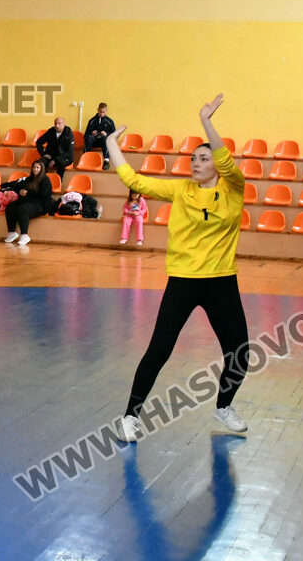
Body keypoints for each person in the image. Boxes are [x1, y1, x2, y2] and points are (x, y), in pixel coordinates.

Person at [106, 94, 250, 442]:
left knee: (240, 352)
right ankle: (130, 418)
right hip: (184, 282)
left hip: (222, 282)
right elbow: (135, 181)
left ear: (217, 164)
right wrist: (111, 144)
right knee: (159, 350)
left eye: (204, 158)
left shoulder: (233, 188)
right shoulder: (180, 190)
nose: (196, 163)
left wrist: (206, 121)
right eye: (193, 158)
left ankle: (223, 406)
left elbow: (226, 160)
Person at [2, 159, 57, 246]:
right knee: (10, 207)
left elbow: (42, 194)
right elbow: (20, 186)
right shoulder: (30, 178)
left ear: (42, 169)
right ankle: (12, 232)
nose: (35, 169)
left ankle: (24, 235)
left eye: (38, 168)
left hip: (41, 204)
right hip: (29, 201)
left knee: (22, 209)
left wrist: (27, 193)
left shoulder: (45, 180)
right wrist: (19, 191)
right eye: (34, 167)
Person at [84, 102, 116, 170]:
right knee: (89, 138)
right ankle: (86, 158)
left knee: (106, 139)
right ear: (98, 110)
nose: (101, 114)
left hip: (104, 142)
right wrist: (91, 133)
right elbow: (86, 134)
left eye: (103, 112)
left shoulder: (110, 121)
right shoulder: (92, 121)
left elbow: (115, 135)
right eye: (100, 112)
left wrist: (107, 134)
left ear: (106, 111)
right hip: (94, 141)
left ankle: (106, 161)